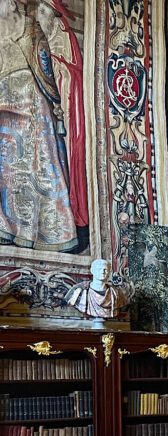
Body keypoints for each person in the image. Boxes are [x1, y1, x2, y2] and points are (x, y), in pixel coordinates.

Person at [0, 0, 77, 252]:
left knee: (36, 167)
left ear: (12, 4)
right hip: (3, 109)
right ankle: (7, 228)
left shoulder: (32, 29)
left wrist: (55, 102)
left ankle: (37, 231)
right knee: (8, 173)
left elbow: (46, 69)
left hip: (31, 106)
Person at [36, 0, 86, 229]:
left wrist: (61, 102)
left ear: (54, 15)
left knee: (73, 149)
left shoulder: (62, 35)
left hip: (72, 102)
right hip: (64, 100)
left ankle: (79, 208)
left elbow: (70, 71)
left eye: (42, 11)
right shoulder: (51, 38)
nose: (39, 17)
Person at [66, 258, 129, 322]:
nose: (102, 272)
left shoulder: (116, 293)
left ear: (109, 272)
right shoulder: (80, 290)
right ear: (92, 270)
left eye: (105, 269)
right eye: (99, 269)